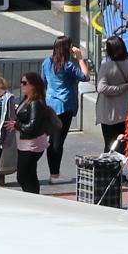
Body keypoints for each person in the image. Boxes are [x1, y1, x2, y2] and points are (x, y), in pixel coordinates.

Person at [41, 36, 87, 184]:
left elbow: (43, 81)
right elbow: (85, 76)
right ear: (67, 49)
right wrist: (80, 58)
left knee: (52, 140)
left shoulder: (46, 62)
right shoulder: (67, 66)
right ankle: (55, 175)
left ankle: (53, 172)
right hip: (65, 105)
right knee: (58, 141)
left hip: (50, 104)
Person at [11, 73, 55, 194]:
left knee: (23, 176)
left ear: (34, 85)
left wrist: (16, 125)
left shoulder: (35, 103)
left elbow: (32, 126)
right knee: (30, 174)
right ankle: (34, 196)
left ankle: (32, 197)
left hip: (32, 144)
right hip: (25, 143)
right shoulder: (27, 99)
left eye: (25, 83)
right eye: (21, 82)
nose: (21, 85)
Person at [94, 36, 128, 149]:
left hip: (110, 114)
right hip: (126, 111)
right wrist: (127, 86)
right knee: (123, 145)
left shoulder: (106, 66)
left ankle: (110, 166)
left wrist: (122, 87)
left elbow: (101, 88)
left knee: (110, 146)